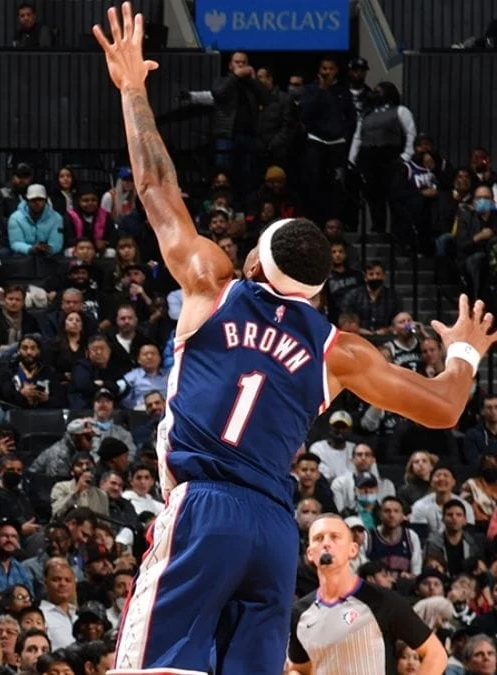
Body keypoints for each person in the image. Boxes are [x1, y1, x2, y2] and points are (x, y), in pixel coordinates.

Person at [93, 5, 497, 673]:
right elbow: (446, 406)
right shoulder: (340, 349)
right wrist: (464, 350)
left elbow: (157, 185)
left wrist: (133, 87)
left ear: (255, 261)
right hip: (276, 532)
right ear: (313, 290)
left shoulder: (212, 284)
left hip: (203, 507)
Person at [286, 515, 447, 674]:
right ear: (310, 553)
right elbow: (300, 669)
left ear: (353, 550)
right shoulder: (300, 611)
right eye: (319, 538)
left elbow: (436, 654)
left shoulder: (383, 601)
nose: (326, 543)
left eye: (335, 537)